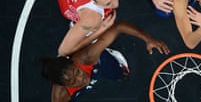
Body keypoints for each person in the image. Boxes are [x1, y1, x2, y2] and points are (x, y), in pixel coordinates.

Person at [40, 20, 170, 102]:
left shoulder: (85, 57)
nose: (81, 79)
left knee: (122, 73)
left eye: (77, 72)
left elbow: (118, 27)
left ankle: (85, 34)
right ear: (64, 85)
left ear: (74, 63)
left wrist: (148, 39)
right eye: (73, 81)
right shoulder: (60, 97)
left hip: (93, 59)